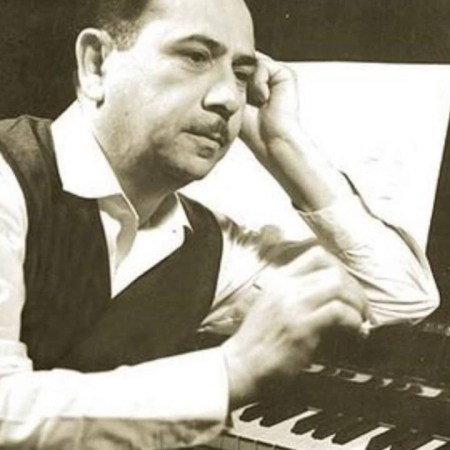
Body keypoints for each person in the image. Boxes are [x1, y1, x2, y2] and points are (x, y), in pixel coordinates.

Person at [0, 0, 439, 448]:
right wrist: (233, 371)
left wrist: (282, 146)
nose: (229, 99)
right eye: (195, 56)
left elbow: (398, 298)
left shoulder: (207, 244)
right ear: (96, 63)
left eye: (242, 74)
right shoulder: (7, 177)